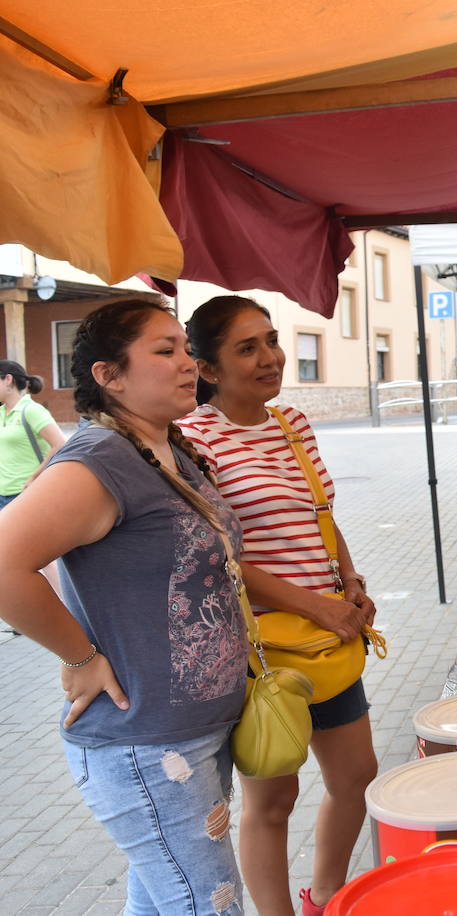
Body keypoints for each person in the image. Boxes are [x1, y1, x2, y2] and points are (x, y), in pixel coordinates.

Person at [0, 299, 248, 914]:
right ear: (109, 376)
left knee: (164, 898)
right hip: (146, 747)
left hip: (193, 735)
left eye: (185, 348)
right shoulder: (97, 464)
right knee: (208, 904)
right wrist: (79, 655)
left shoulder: (170, 451)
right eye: (164, 352)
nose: (188, 363)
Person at [179, 296, 377, 916]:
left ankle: (326, 896)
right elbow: (216, 554)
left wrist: (349, 580)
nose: (269, 357)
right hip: (260, 649)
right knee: (273, 798)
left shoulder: (292, 422)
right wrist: (315, 606)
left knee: (355, 778)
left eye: (270, 340)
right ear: (207, 368)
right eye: (247, 348)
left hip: (328, 635)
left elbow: (319, 513)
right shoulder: (192, 439)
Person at [0, 360, 65, 508]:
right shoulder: (1, 412)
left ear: (8, 380)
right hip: (2, 493)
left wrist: (34, 477)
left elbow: (60, 445)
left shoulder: (31, 410)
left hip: (25, 493)